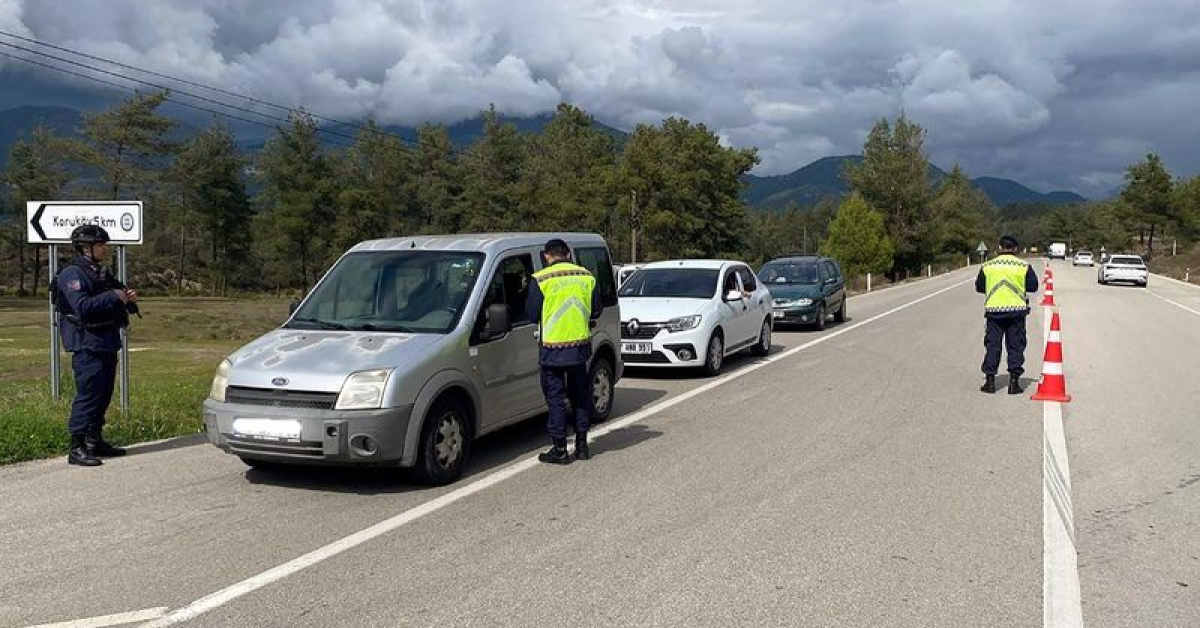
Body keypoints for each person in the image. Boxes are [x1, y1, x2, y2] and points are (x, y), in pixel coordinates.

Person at [53, 225, 138, 466]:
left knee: (103, 394)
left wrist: (125, 296)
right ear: (86, 248)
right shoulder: (72, 274)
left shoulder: (97, 271)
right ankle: (77, 446)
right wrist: (114, 296)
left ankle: (95, 440)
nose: (104, 249)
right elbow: (81, 306)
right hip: (87, 343)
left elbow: (110, 295)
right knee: (89, 395)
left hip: (105, 340)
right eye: (101, 245)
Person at [526, 239, 603, 464]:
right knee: (580, 397)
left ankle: (560, 449)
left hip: (552, 350)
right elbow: (596, 310)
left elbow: (531, 314)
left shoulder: (541, 279)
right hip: (580, 348)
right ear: (568, 254)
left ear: (547, 255)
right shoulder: (587, 276)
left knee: (556, 399)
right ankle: (582, 446)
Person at [975, 235, 1039, 394]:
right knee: (1016, 346)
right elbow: (1033, 286)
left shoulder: (987, 266)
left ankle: (990, 382)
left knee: (992, 345)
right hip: (1016, 312)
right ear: (1016, 249)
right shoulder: (1023, 266)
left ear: (999, 247)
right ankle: (1014, 383)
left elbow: (979, 287)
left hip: (994, 312)